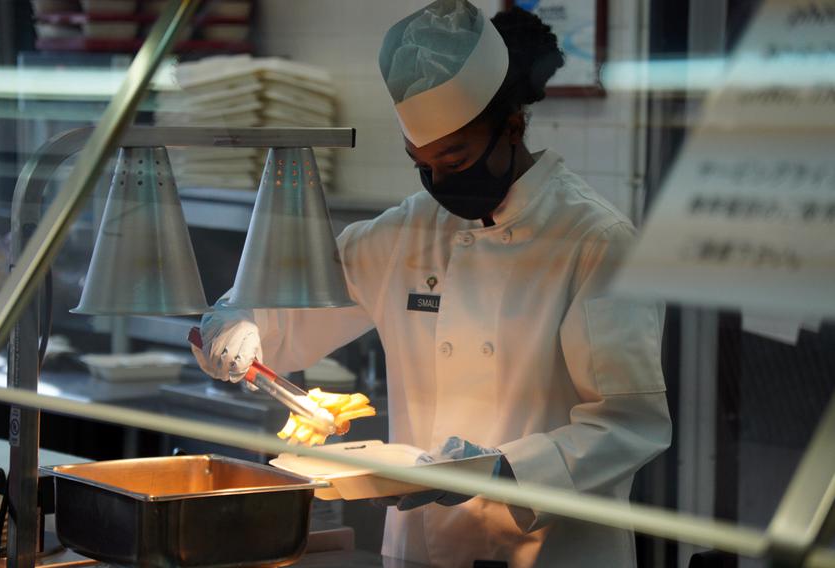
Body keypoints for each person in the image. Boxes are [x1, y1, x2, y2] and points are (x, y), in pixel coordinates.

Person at [192, 1, 672, 566]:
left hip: (549, 550)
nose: (441, 181)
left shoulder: (596, 241)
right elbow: (288, 307)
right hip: (420, 549)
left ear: (512, 127)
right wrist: (236, 321)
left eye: (455, 157)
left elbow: (627, 425)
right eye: (422, 164)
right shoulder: (405, 233)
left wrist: (499, 471)